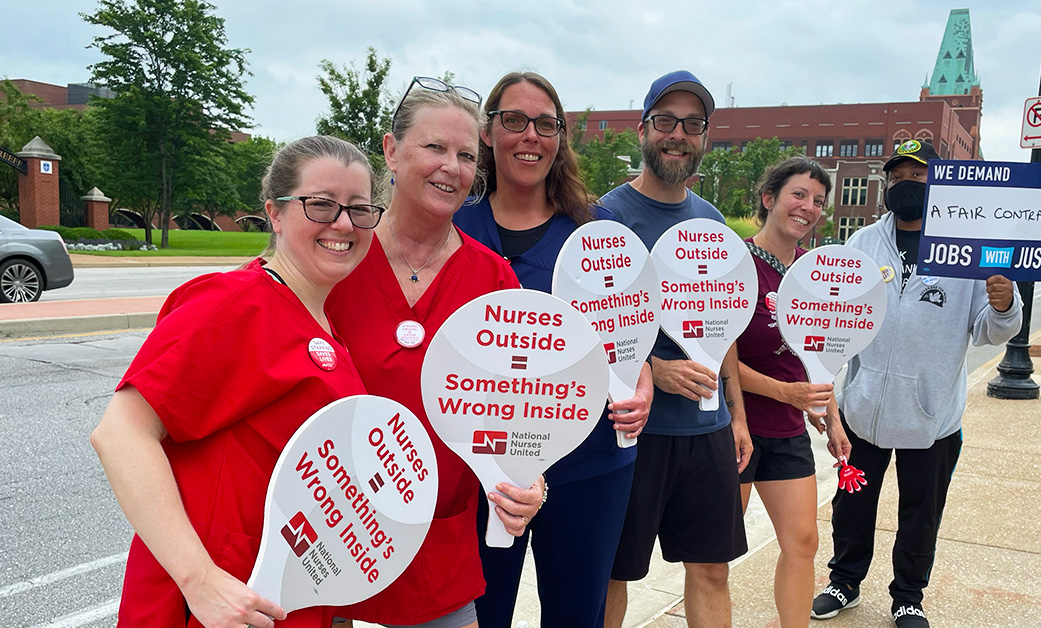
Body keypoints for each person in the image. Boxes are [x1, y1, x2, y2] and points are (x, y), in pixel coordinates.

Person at [90, 135, 381, 628]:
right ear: (275, 213)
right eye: (321, 204)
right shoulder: (236, 303)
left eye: (359, 208)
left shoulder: (325, 323)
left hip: (288, 599)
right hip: (219, 605)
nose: (344, 223)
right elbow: (120, 434)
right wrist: (199, 579)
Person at [326, 77, 544, 628]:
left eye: (467, 155)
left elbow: (517, 403)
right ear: (391, 150)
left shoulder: (492, 278)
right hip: (329, 527)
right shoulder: (334, 258)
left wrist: (528, 476)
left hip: (437, 545)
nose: (452, 166)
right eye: (435, 148)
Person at [453, 71, 654, 628]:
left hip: (589, 460)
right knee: (480, 614)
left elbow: (631, 327)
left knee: (576, 615)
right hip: (486, 465)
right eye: (513, 120)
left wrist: (643, 380)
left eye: (546, 124)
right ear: (488, 132)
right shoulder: (453, 229)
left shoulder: (597, 229)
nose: (530, 136)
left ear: (561, 138)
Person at [810, 139, 1021, 628]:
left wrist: (1005, 303)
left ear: (941, 184)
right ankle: (844, 582)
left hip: (932, 416)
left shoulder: (967, 251)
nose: (907, 184)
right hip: (862, 411)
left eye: (919, 176)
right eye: (899, 176)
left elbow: (988, 330)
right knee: (852, 504)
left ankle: (908, 596)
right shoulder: (861, 245)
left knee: (922, 511)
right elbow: (835, 317)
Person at [602, 70, 751, 628]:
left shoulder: (710, 221)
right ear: (643, 130)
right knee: (612, 574)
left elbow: (725, 323)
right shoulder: (605, 219)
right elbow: (584, 329)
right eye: (665, 121)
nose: (678, 134)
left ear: (705, 138)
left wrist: (737, 414)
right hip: (632, 433)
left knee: (713, 572)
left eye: (693, 124)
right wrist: (655, 369)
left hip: (706, 431)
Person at [736, 156, 851, 628]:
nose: (808, 207)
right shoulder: (732, 264)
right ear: (769, 200)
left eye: (818, 201)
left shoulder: (815, 273)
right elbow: (713, 359)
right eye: (798, 195)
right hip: (734, 428)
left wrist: (834, 418)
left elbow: (817, 358)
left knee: (803, 542)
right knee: (715, 555)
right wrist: (785, 393)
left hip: (786, 432)